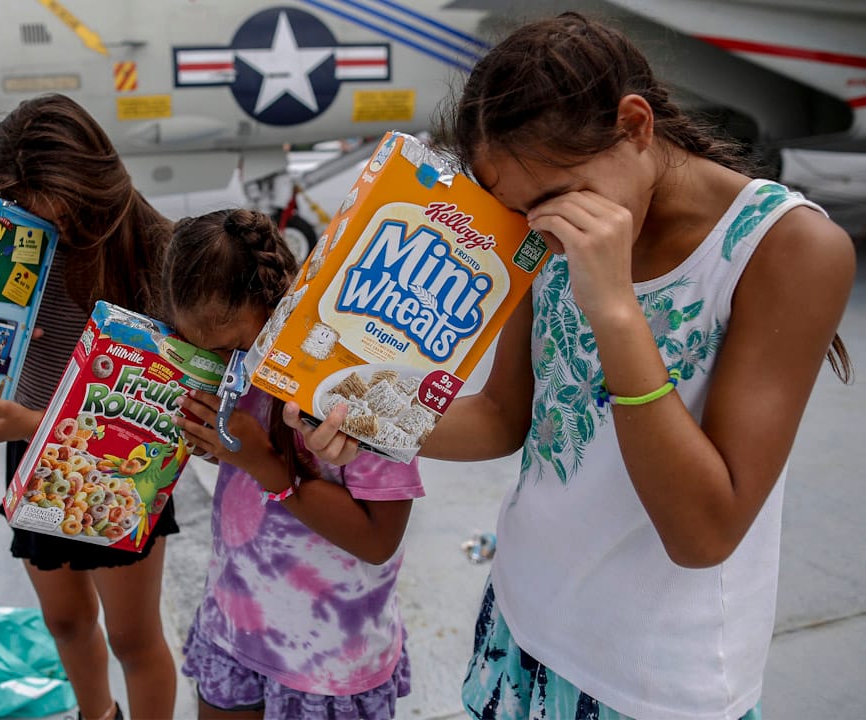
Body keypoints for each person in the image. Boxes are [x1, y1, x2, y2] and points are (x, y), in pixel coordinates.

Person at [284, 12, 856, 720]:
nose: (542, 232)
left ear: (636, 125)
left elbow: (704, 534)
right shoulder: (537, 230)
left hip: (654, 677)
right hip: (524, 618)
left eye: (557, 199)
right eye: (520, 212)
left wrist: (614, 309)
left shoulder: (785, 249)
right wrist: (359, 412)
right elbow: (502, 419)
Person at [0, 94, 175, 720]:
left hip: (122, 468)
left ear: (100, 186)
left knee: (131, 635)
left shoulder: (159, 256)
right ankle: (95, 714)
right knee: (65, 620)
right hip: (29, 447)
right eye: (28, 216)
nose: (51, 236)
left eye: (67, 220)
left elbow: (154, 423)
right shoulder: (6, 249)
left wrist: (33, 424)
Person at [162, 208, 424, 720]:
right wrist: (218, 447)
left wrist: (262, 463)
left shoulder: (361, 379)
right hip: (233, 629)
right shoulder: (238, 370)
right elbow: (251, 488)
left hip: (326, 661)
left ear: (273, 301)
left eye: (231, 346)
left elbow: (377, 539)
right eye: (201, 353)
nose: (222, 365)